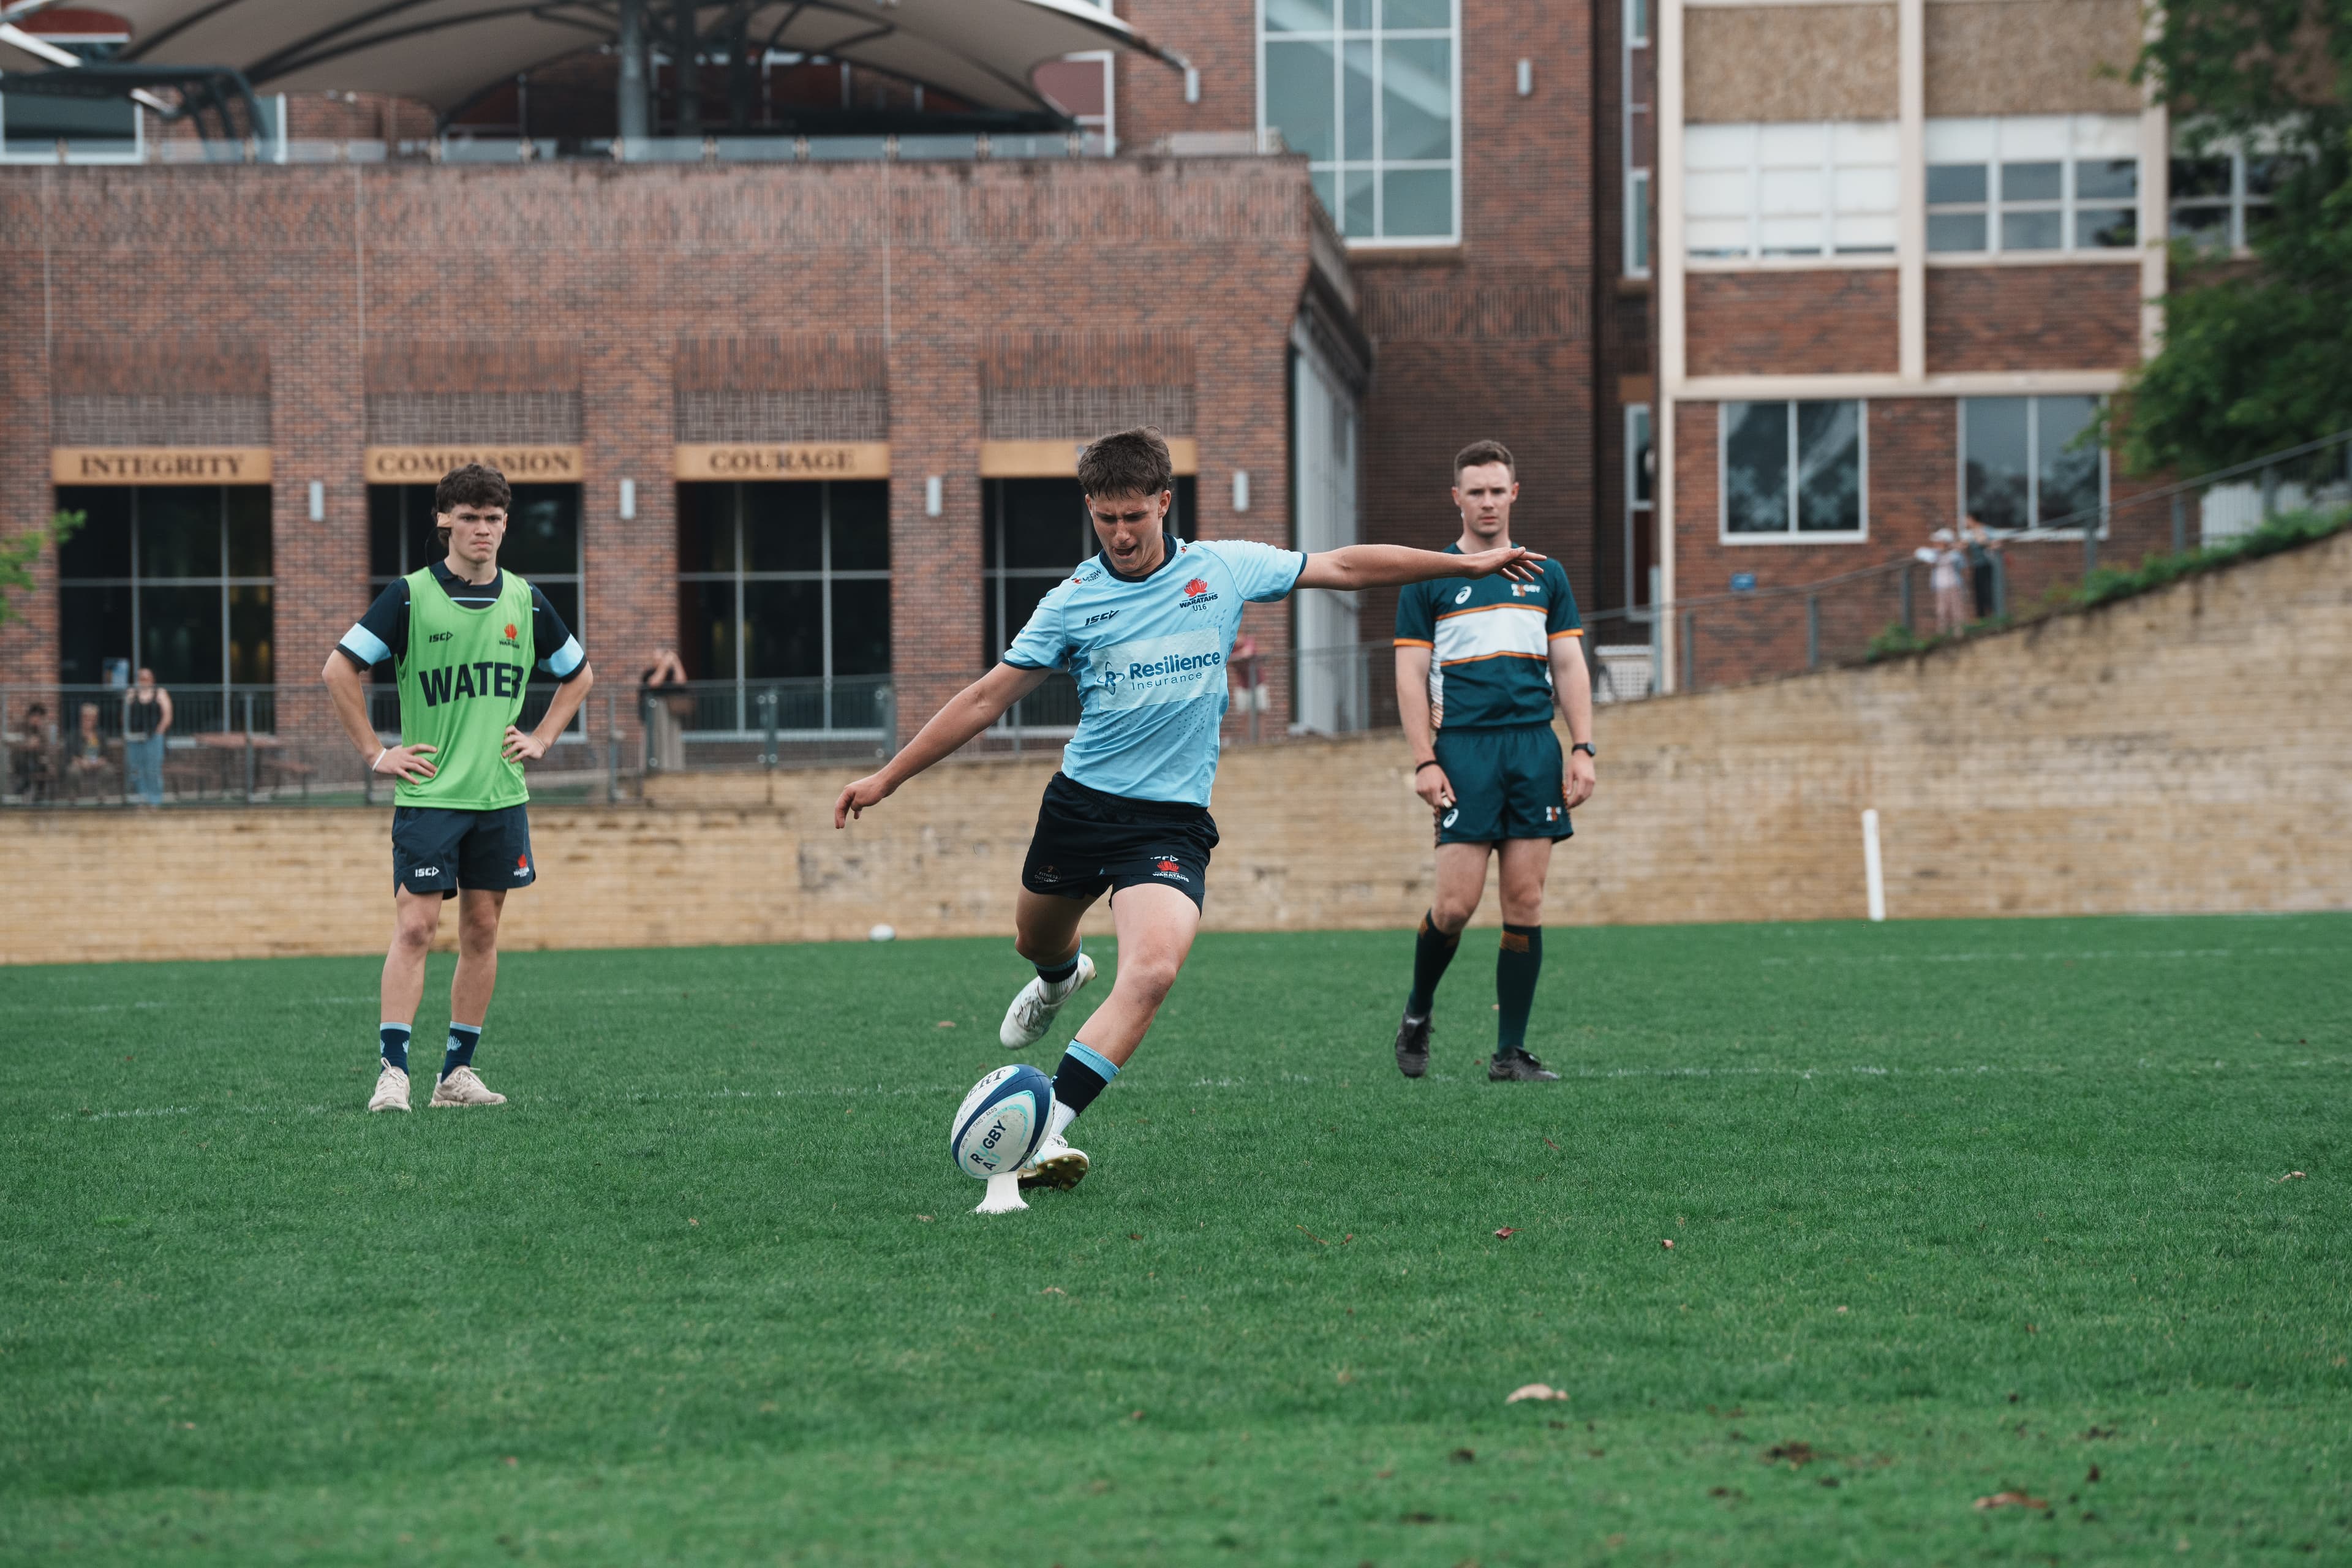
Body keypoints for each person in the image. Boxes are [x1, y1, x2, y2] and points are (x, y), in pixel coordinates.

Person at [833, 427, 1542, 1194]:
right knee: (1034, 939)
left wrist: (1464, 564)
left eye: (1134, 516)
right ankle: (1059, 976)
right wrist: (889, 777)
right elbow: (983, 699)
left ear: (1164, 501)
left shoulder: (1222, 568)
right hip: (1081, 809)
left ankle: (1047, 1129)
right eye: (1105, 518)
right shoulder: (1071, 603)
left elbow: (1342, 566)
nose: (1121, 533)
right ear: (1090, 509)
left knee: (1153, 970)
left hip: (1169, 823)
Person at [323, 463, 595, 1114]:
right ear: (444, 520)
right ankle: (393, 1071)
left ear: (505, 524)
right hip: (429, 797)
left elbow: (579, 675)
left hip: (500, 797)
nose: (483, 529)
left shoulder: (526, 600)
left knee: (481, 929)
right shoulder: (409, 597)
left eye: (493, 518)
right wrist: (375, 752)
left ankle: (455, 1074)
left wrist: (543, 738)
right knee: (416, 928)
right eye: (470, 517)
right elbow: (338, 669)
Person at [1390, 439, 1597, 1084]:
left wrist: (1583, 747)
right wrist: (1424, 760)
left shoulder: (1547, 575)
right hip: (1464, 750)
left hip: (1533, 747)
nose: (1487, 502)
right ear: (1457, 498)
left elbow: (1570, 665)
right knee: (1455, 905)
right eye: (1475, 491)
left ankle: (1510, 1053)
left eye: (1497, 490)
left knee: (1526, 900)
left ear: (1514, 494)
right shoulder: (1430, 577)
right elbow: (1409, 676)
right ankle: (1418, 1010)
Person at [122, 667, 173, 807]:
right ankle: (141, 799)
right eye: (141, 678)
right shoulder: (132, 694)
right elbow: (125, 715)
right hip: (135, 737)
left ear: (152, 680)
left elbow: (167, 715)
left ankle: (154, 800)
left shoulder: (160, 693)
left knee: (153, 769)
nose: (144, 681)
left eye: (147, 678)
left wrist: (159, 731)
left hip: (153, 737)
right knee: (136, 769)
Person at [639, 646, 690, 772]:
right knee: (656, 737)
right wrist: (664, 667)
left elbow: (682, 681)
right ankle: (655, 766)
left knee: (671, 736)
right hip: (656, 710)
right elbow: (654, 683)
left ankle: (673, 766)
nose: (657, 662)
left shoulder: (672, 673)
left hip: (671, 710)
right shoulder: (649, 673)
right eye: (655, 659)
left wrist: (676, 661)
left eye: (660, 659)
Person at [8, 701, 56, 801]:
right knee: (29, 768)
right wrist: (27, 745)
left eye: (41, 718)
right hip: (20, 761)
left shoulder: (41, 730)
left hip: (36, 761)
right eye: (36, 717)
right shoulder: (20, 726)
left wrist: (40, 748)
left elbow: (47, 747)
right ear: (30, 716)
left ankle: (40, 798)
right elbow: (12, 743)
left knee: (46, 768)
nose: (38, 720)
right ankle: (19, 795)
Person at [1929, 527, 1968, 635]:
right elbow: (1922, 554)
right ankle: (1942, 635)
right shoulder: (1934, 554)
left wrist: (1955, 549)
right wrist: (1940, 552)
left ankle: (1959, 634)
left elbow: (1962, 564)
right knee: (1941, 612)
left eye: (1940, 541)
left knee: (1957, 611)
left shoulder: (1955, 554)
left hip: (1954, 585)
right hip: (1940, 587)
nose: (1937, 543)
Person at [1962, 514, 2002, 620]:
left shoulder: (1987, 530)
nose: (1965, 523)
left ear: (1972, 519)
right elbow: (1964, 545)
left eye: (1966, 520)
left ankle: (1994, 615)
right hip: (1976, 566)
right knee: (1978, 591)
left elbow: (1997, 544)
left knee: (1988, 590)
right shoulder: (1969, 534)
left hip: (1987, 565)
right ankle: (1981, 617)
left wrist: (1984, 542)